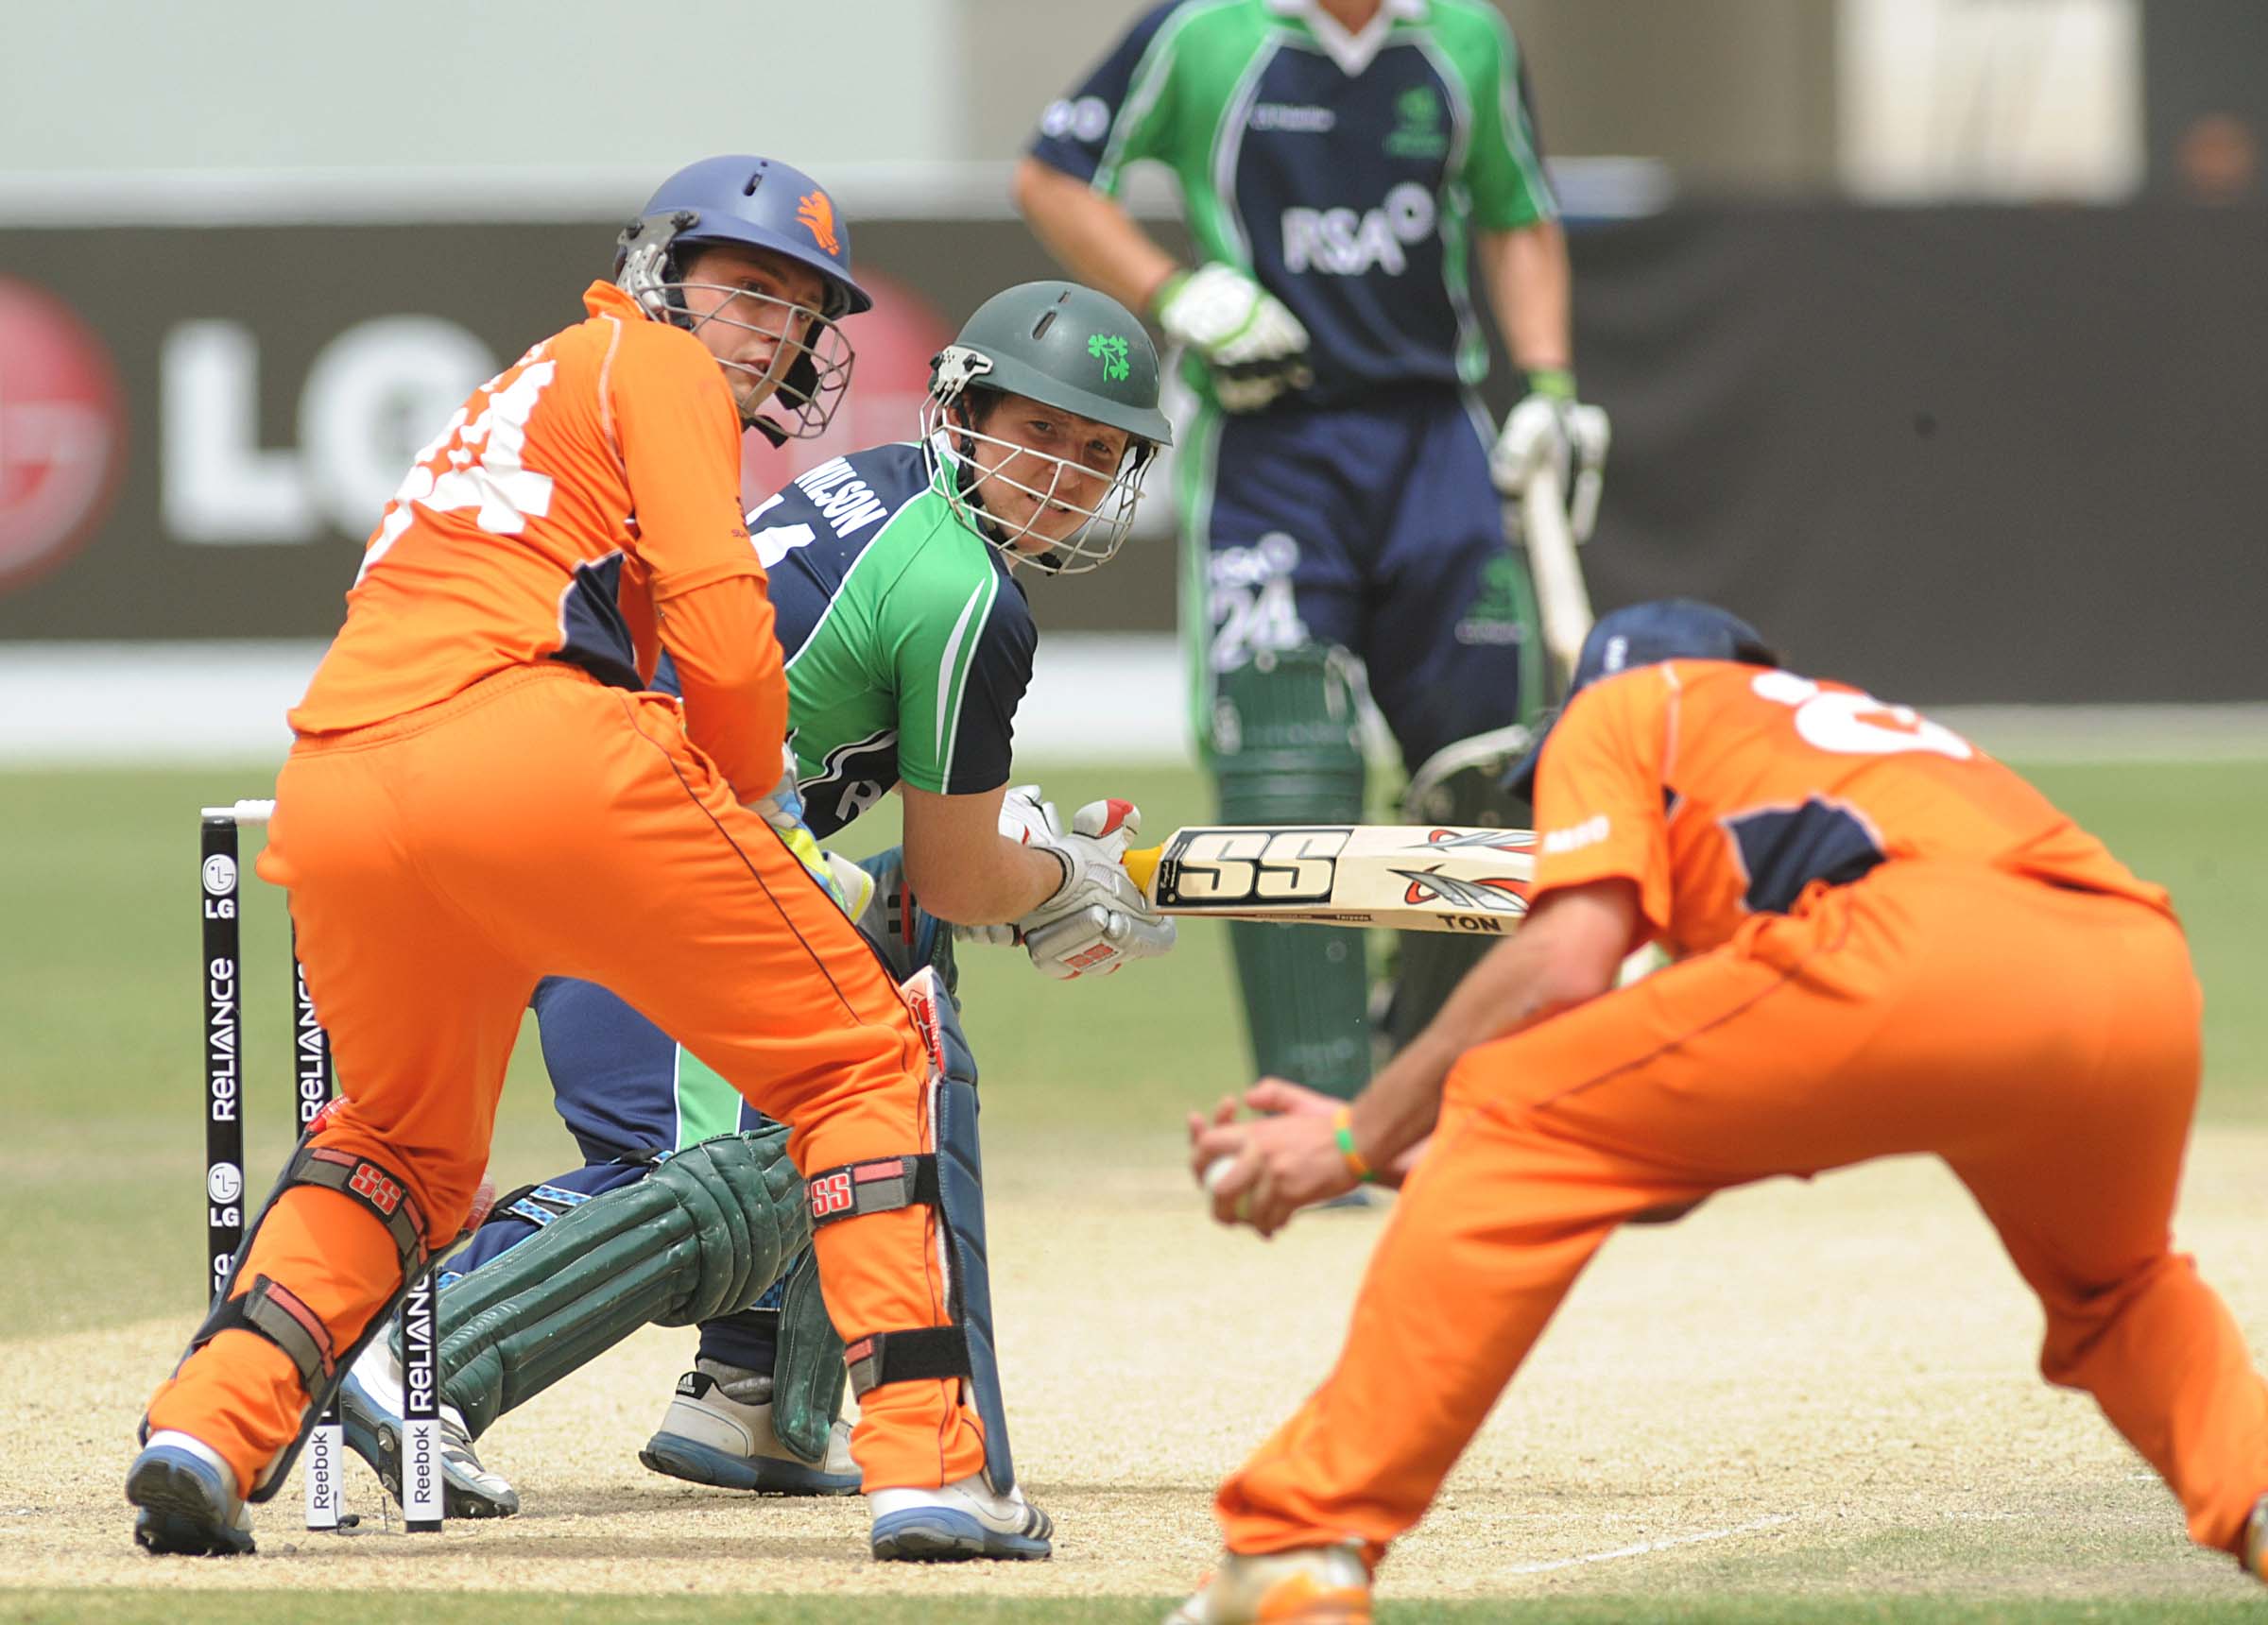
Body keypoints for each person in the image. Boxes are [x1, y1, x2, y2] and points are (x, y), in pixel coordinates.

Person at [123, 156, 1125, 1565]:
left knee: (396, 1147)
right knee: (864, 1060)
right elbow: (722, 641)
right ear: (666, 272)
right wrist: (756, 807)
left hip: (344, 771)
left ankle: (205, 1431)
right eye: (747, 289)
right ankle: (934, 1474)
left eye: (797, 310)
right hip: (546, 751)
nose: (768, 331)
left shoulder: (527, 384)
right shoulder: (653, 372)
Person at [1170, 599, 2268, 1619]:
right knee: (2119, 1291)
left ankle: (1299, 1548)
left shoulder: (1632, 702)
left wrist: (1357, 1133)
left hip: (1916, 950)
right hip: (2136, 971)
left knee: (1510, 1085)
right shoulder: (1839, 735)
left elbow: (1564, 965)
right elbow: (1640, 1159)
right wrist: (1420, 1156)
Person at [327, 281, 1178, 1531]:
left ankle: (755, 1393)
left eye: (1100, 451)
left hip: (590, 814)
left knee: (893, 975)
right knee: (732, 1166)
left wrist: (1016, 868)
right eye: (1041, 431)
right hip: (635, 850)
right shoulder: (970, 602)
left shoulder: (885, 483)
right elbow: (961, 872)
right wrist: (1065, 881)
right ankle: (407, 1357)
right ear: (968, 410)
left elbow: (931, 879)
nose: (1067, 472)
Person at [1016, 0, 1609, 1104]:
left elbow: (1517, 212)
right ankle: (1312, 1100)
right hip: (1270, 440)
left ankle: (1434, 1092)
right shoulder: (1204, 33)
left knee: (1490, 773)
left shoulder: (1464, 37)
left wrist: (1548, 386)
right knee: (1284, 763)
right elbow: (1054, 172)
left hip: (1438, 440)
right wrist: (1177, 291)